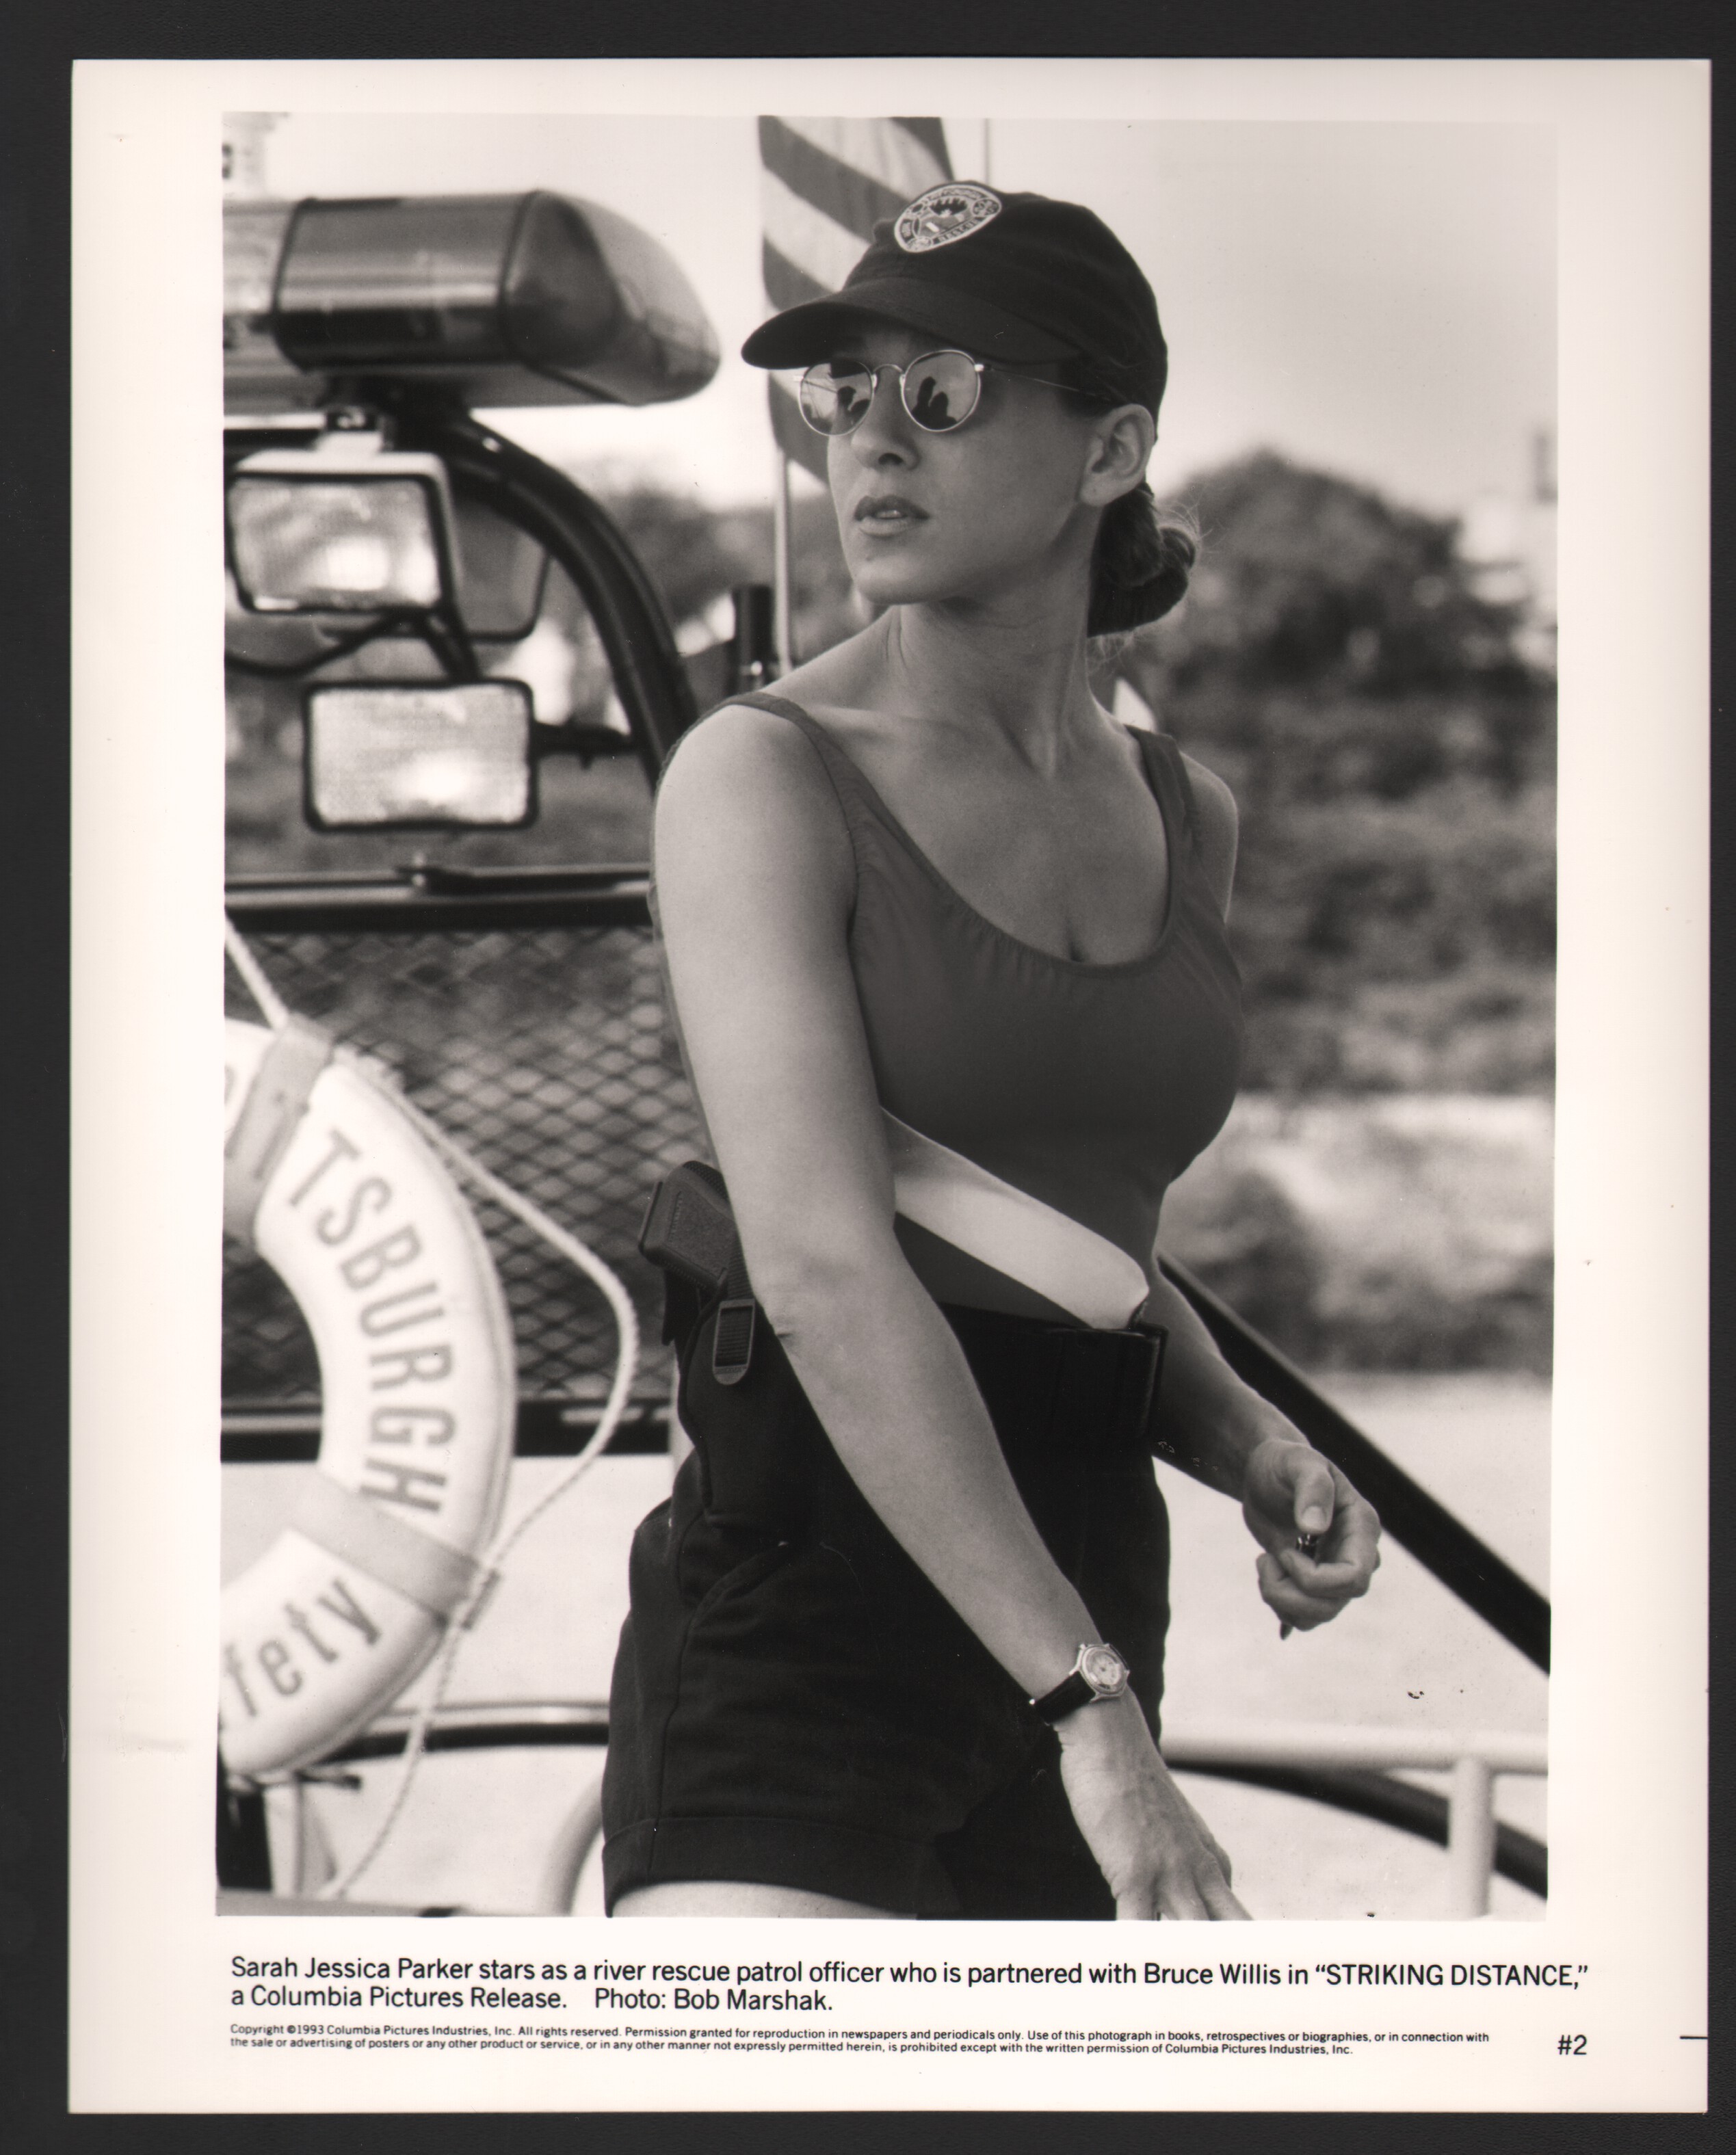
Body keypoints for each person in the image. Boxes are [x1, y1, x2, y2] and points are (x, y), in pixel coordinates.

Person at [601, 183, 1380, 1922]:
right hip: (815, 1611)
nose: (873, 441)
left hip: (1088, 1586)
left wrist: (1247, 1440)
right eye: (843, 393)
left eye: (942, 391)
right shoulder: (763, 774)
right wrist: (1093, 1716)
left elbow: (1087, 1235)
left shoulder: (1187, 810)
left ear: (1112, 450)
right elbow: (822, 1269)